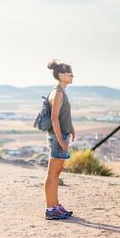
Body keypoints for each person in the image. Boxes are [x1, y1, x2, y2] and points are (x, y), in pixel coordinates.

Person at [44, 60, 76, 220]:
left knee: (56, 173)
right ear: (62, 75)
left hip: (61, 136)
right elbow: (54, 118)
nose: (73, 76)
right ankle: (50, 209)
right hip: (57, 138)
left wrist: (71, 129)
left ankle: (55, 205)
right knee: (52, 174)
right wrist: (61, 141)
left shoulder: (61, 92)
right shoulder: (57, 93)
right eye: (70, 74)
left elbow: (63, 117)